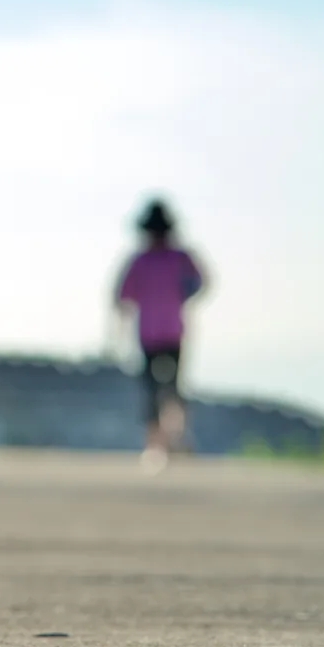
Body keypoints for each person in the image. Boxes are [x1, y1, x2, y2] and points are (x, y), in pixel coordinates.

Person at [114, 198, 207, 472]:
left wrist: (184, 294)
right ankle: (157, 445)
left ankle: (175, 436)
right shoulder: (142, 261)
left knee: (173, 387)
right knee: (153, 390)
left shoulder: (179, 258)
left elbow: (201, 282)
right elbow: (124, 296)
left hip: (170, 332)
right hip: (150, 334)